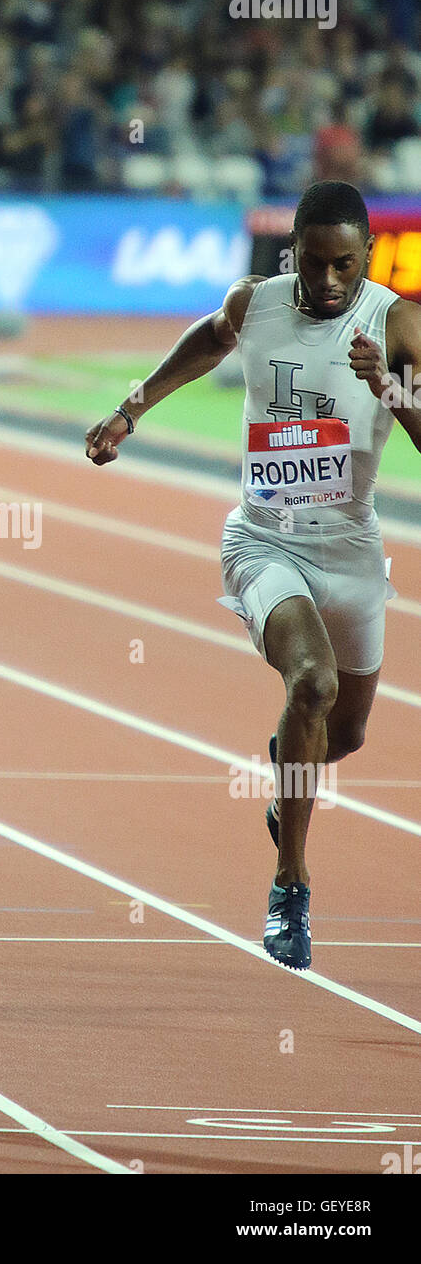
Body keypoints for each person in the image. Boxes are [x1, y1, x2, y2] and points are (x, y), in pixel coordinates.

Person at [85, 181, 421, 970]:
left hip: (351, 549)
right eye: (314, 263)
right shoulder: (257, 303)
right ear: (292, 254)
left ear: (367, 257)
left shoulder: (397, 321)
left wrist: (392, 387)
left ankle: (286, 791)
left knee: (345, 732)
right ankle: (290, 888)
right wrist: (131, 409)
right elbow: (206, 340)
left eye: (344, 265)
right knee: (311, 684)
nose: (329, 281)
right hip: (264, 541)